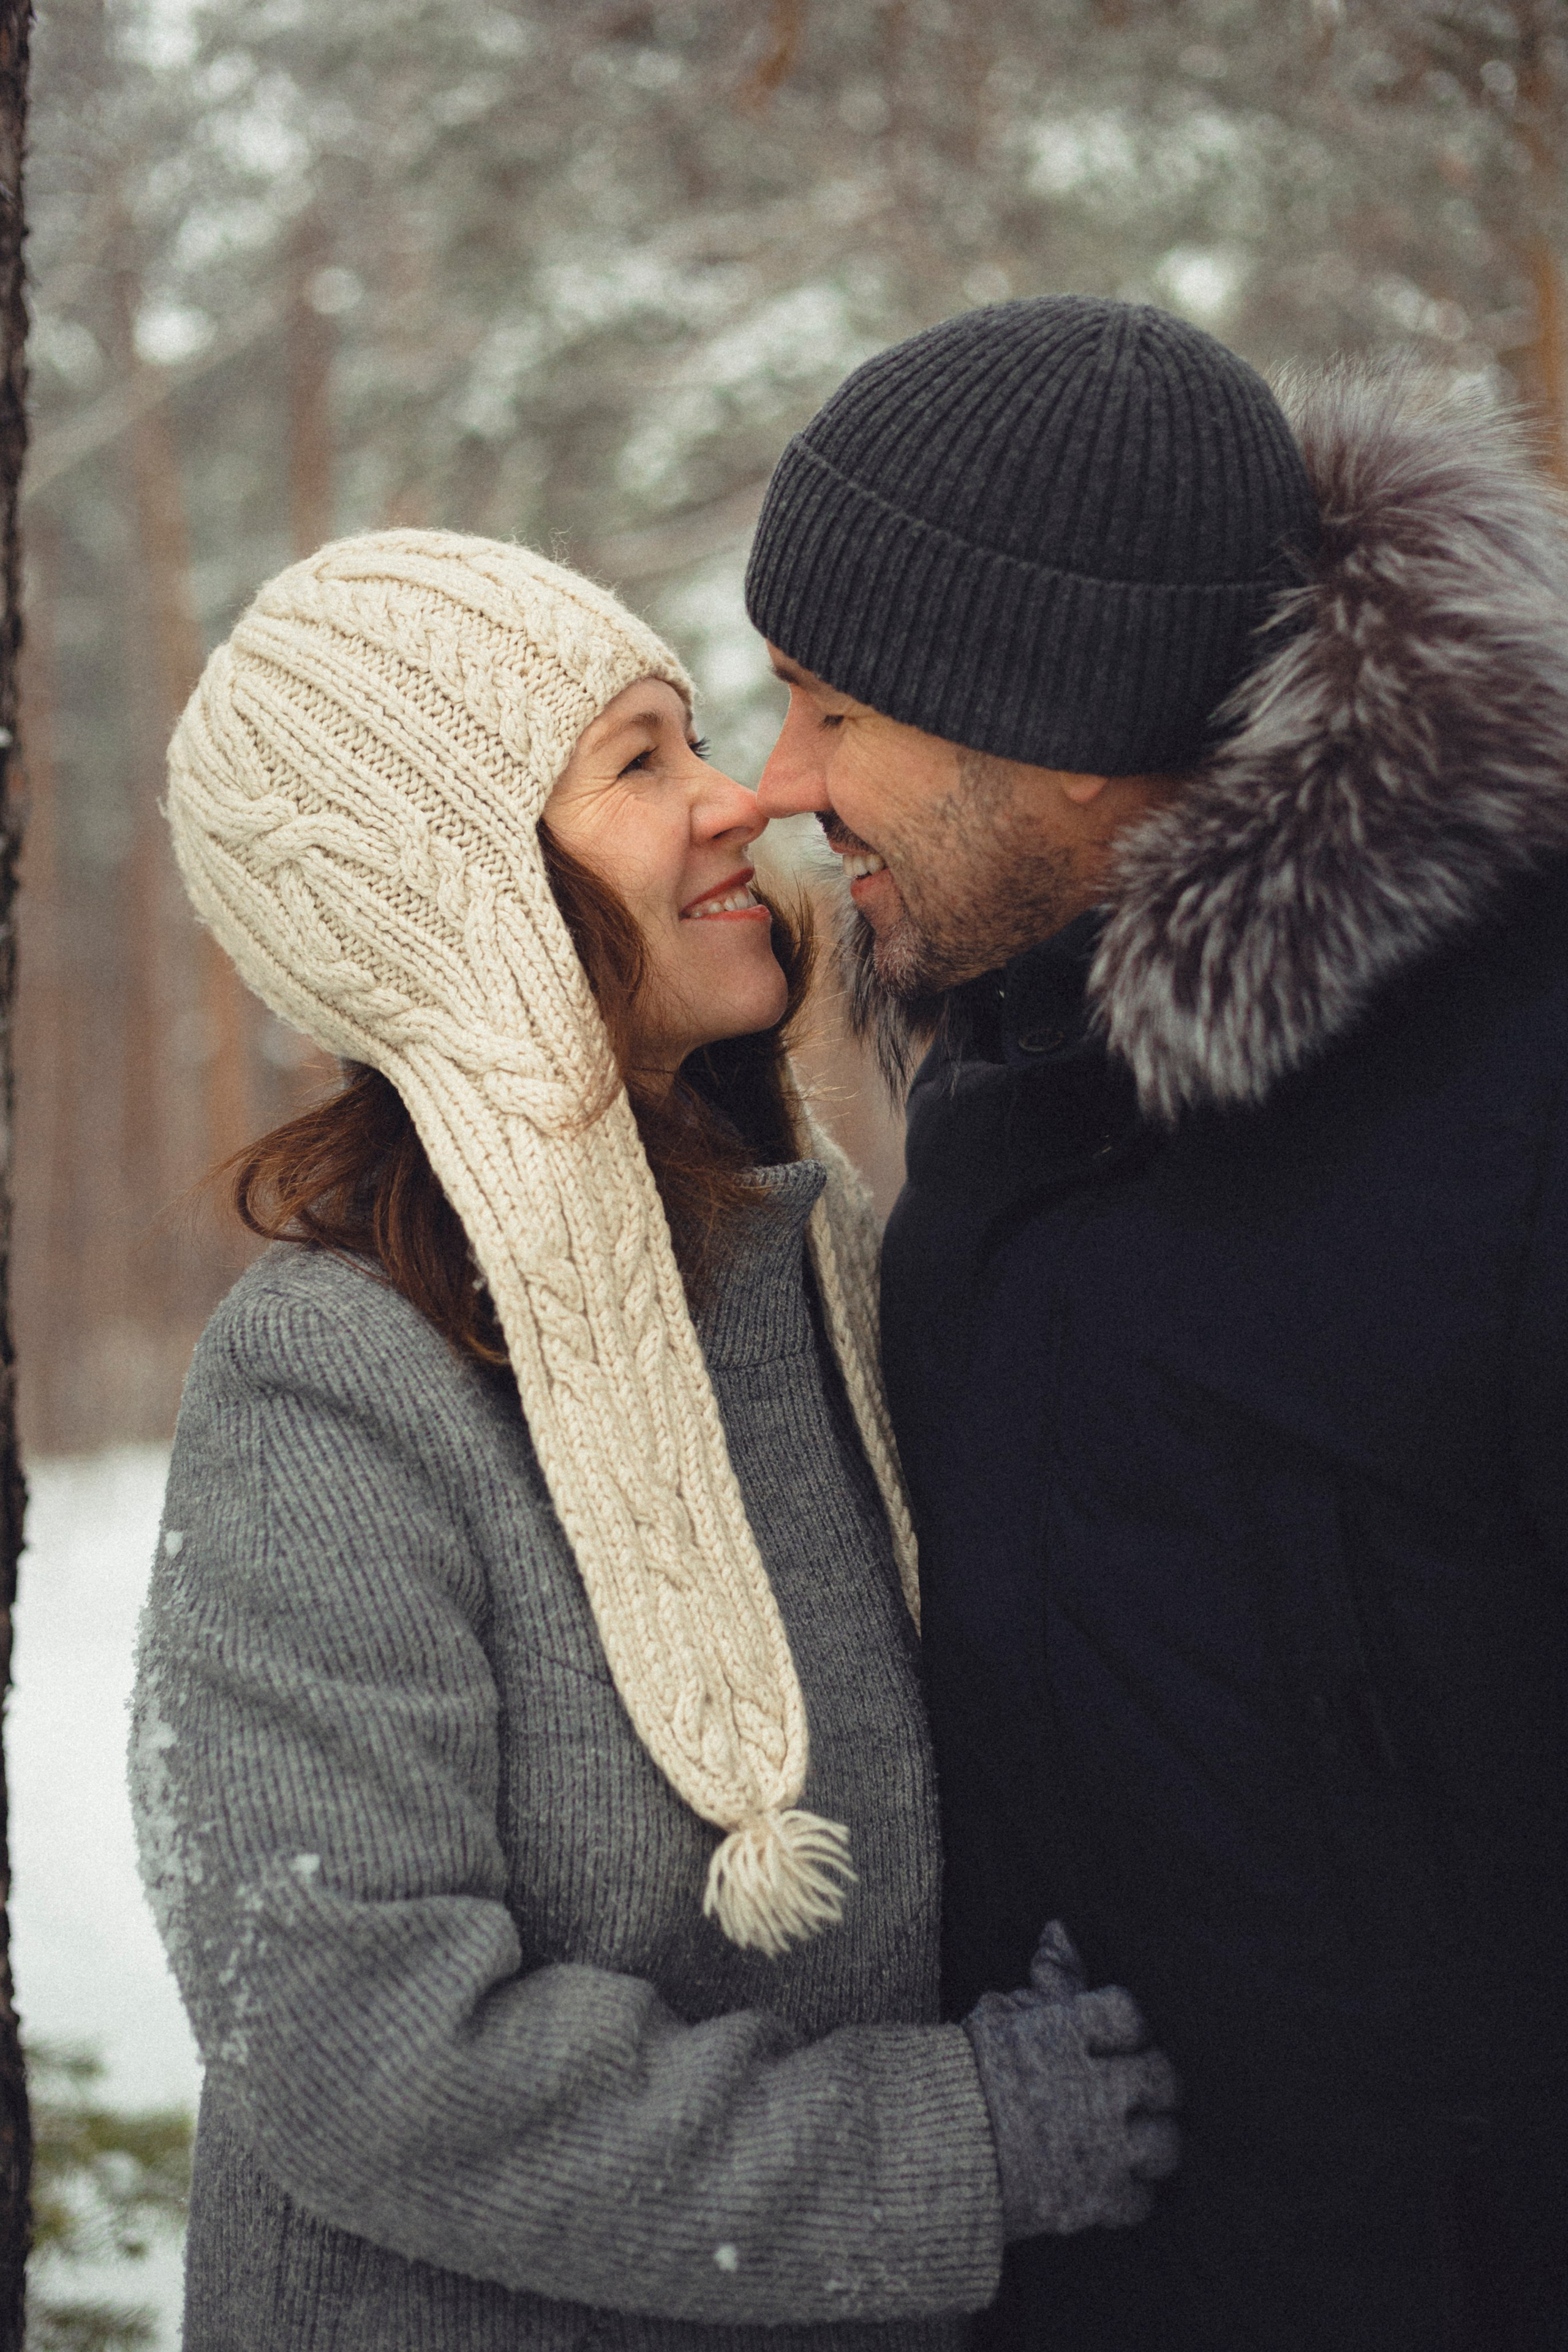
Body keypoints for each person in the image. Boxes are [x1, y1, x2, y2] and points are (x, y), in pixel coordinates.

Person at [129, 530, 1179, 2352]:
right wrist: (954, 2143)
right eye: (640, 761)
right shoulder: (335, 1379)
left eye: (695, 741)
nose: (741, 803)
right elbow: (359, 2049)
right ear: (454, 881)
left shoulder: (825, 1266)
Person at [747, 296, 1568, 2352]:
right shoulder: (1009, 1087)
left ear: (1056, 713)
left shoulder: (1516, 1087)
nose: (783, 785)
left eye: (834, 710)